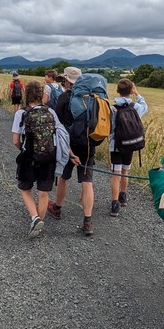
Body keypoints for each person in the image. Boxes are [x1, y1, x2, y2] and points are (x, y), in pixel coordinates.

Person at [11, 80, 66, 238]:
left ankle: (35, 218)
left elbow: (15, 141)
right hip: (49, 157)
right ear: (42, 95)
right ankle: (38, 225)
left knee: (25, 189)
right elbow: (60, 135)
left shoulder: (21, 113)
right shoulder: (51, 112)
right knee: (43, 192)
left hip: (29, 157)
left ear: (26, 94)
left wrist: (23, 149)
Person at [47, 66, 98, 236]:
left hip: (68, 144)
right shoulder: (93, 97)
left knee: (63, 177)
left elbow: (57, 124)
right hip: (89, 144)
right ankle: (88, 221)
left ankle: (57, 208)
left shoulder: (64, 98)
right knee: (87, 181)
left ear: (67, 81)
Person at [108, 78, 148, 216]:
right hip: (131, 144)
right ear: (131, 91)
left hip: (116, 145)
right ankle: (123, 197)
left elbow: (110, 127)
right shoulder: (136, 107)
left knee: (116, 174)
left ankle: (115, 205)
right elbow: (145, 106)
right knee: (125, 171)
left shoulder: (112, 109)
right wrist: (137, 93)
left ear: (117, 90)